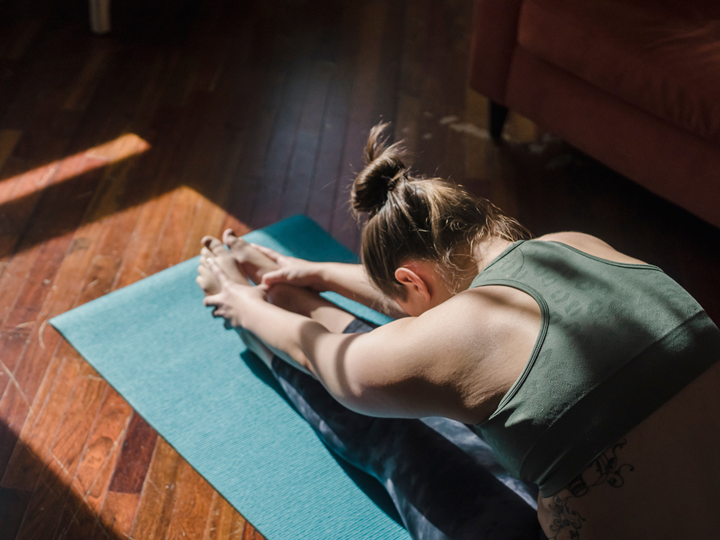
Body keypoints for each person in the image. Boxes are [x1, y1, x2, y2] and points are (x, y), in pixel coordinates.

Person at [196, 123, 720, 540]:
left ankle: (273, 311)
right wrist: (319, 271)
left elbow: (335, 363)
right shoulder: (575, 246)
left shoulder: (467, 332)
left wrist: (239, 304)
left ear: (410, 280)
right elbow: (451, 299)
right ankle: (288, 291)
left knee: (400, 434)